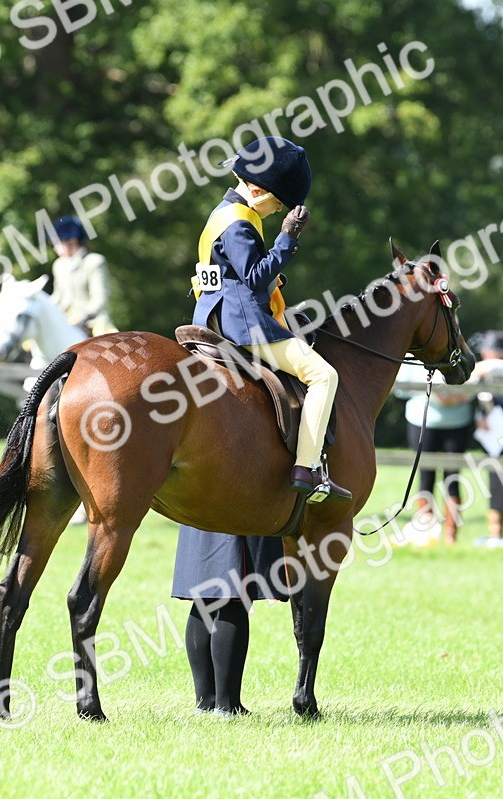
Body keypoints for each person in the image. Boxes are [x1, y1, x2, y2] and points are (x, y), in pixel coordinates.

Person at [192, 136, 350, 502]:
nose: (279, 212)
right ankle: (307, 469)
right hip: (242, 324)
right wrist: (287, 239)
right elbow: (254, 276)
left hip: (216, 313)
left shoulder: (222, 212)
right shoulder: (239, 222)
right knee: (324, 375)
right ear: (259, 191)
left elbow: (234, 274)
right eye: (279, 204)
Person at [171, 526, 289, 715]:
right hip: (235, 513)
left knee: (205, 599)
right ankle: (227, 705)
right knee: (233, 598)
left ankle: (205, 702)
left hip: (195, 510)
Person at [393, 361, 474, 544]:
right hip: (422, 421)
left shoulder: (454, 348)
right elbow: (400, 387)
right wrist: (437, 394)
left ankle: (451, 536)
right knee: (426, 477)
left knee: (452, 479)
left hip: (457, 423)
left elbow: (473, 380)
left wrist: (458, 397)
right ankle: (427, 532)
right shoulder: (413, 357)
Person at [469, 331, 503, 546]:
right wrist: (478, 418)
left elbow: (483, 369)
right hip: (494, 436)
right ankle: (496, 535)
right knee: (494, 484)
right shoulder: (488, 371)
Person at [48, 215, 117, 336]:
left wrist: (83, 318)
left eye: (57, 243)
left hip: (93, 324)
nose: (54, 248)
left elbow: (100, 298)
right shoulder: (58, 265)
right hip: (66, 322)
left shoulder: (94, 261)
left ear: (71, 241)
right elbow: (58, 296)